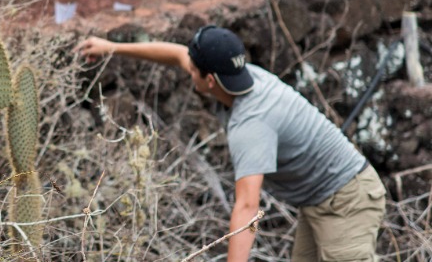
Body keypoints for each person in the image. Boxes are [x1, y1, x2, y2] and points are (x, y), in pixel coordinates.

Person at [75, 26, 386, 262]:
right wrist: (111, 47)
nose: (188, 70)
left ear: (209, 81)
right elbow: (177, 55)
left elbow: (247, 207)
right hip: (319, 200)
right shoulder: (242, 74)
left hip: (347, 201)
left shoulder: (251, 125)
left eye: (193, 71)